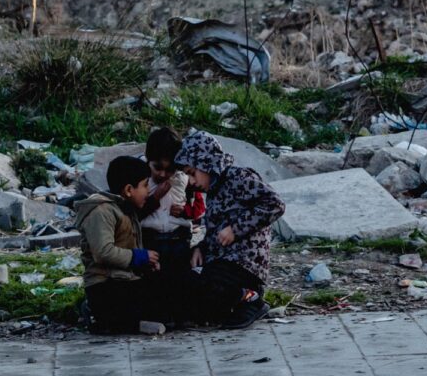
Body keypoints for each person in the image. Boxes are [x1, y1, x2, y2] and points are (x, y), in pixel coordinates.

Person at [176, 130, 285, 329]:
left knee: (212, 286)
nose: (191, 181)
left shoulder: (238, 177)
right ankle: (236, 305)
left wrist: (236, 229)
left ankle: (251, 299)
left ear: (206, 163)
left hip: (244, 263)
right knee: (187, 285)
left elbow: (275, 204)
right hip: (221, 261)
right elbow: (214, 232)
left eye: (192, 173)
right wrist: (200, 248)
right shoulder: (213, 190)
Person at [74, 154, 173, 334]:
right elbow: (103, 252)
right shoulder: (102, 211)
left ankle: (131, 322)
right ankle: (99, 316)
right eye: (144, 185)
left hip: (125, 280)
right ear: (128, 190)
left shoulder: (126, 209)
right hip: (105, 285)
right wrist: (138, 257)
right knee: (147, 304)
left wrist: (146, 265)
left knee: (169, 288)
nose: (148, 191)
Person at [140, 127, 194, 279]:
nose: (163, 174)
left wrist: (184, 212)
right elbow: (132, 214)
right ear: (148, 159)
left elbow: (198, 208)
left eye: (169, 169)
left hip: (178, 239)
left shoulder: (184, 178)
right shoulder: (140, 178)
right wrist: (155, 198)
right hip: (149, 239)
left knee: (177, 279)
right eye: (157, 167)